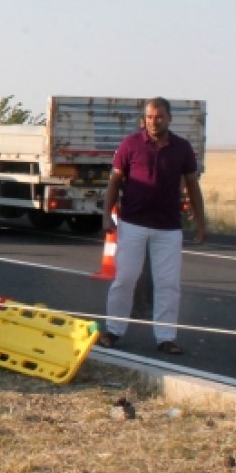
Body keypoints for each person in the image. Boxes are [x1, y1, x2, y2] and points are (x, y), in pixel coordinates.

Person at [98, 97, 206, 355]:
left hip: (168, 228)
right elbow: (115, 181)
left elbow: (193, 185)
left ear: (169, 118)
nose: (153, 122)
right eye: (149, 117)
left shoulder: (182, 148)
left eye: (159, 117)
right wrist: (106, 215)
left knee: (168, 283)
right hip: (132, 224)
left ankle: (166, 337)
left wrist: (201, 222)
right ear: (144, 119)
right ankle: (113, 330)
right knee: (125, 278)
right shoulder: (130, 144)